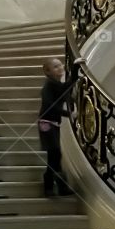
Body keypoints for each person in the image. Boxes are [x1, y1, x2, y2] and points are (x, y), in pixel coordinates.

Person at [38, 57, 74, 197]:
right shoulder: (48, 85)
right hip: (46, 123)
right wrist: (68, 114)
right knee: (54, 154)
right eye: (55, 66)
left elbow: (69, 85)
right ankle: (50, 186)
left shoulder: (57, 84)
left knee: (55, 155)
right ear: (48, 71)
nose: (60, 68)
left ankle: (60, 187)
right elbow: (49, 106)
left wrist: (76, 68)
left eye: (60, 65)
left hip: (53, 123)